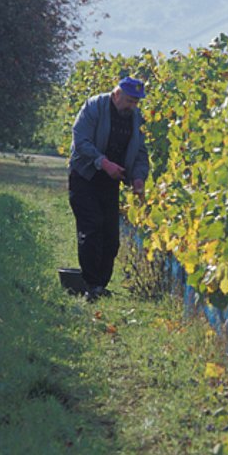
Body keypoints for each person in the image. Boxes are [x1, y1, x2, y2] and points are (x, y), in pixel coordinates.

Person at [68, 76, 150, 301]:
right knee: (92, 228)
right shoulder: (94, 106)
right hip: (85, 176)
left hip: (111, 181)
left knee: (111, 236)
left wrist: (139, 178)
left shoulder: (135, 119)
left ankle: (100, 285)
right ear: (116, 95)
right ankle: (91, 284)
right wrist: (104, 163)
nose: (133, 106)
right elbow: (80, 141)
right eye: (130, 101)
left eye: (136, 102)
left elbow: (141, 152)